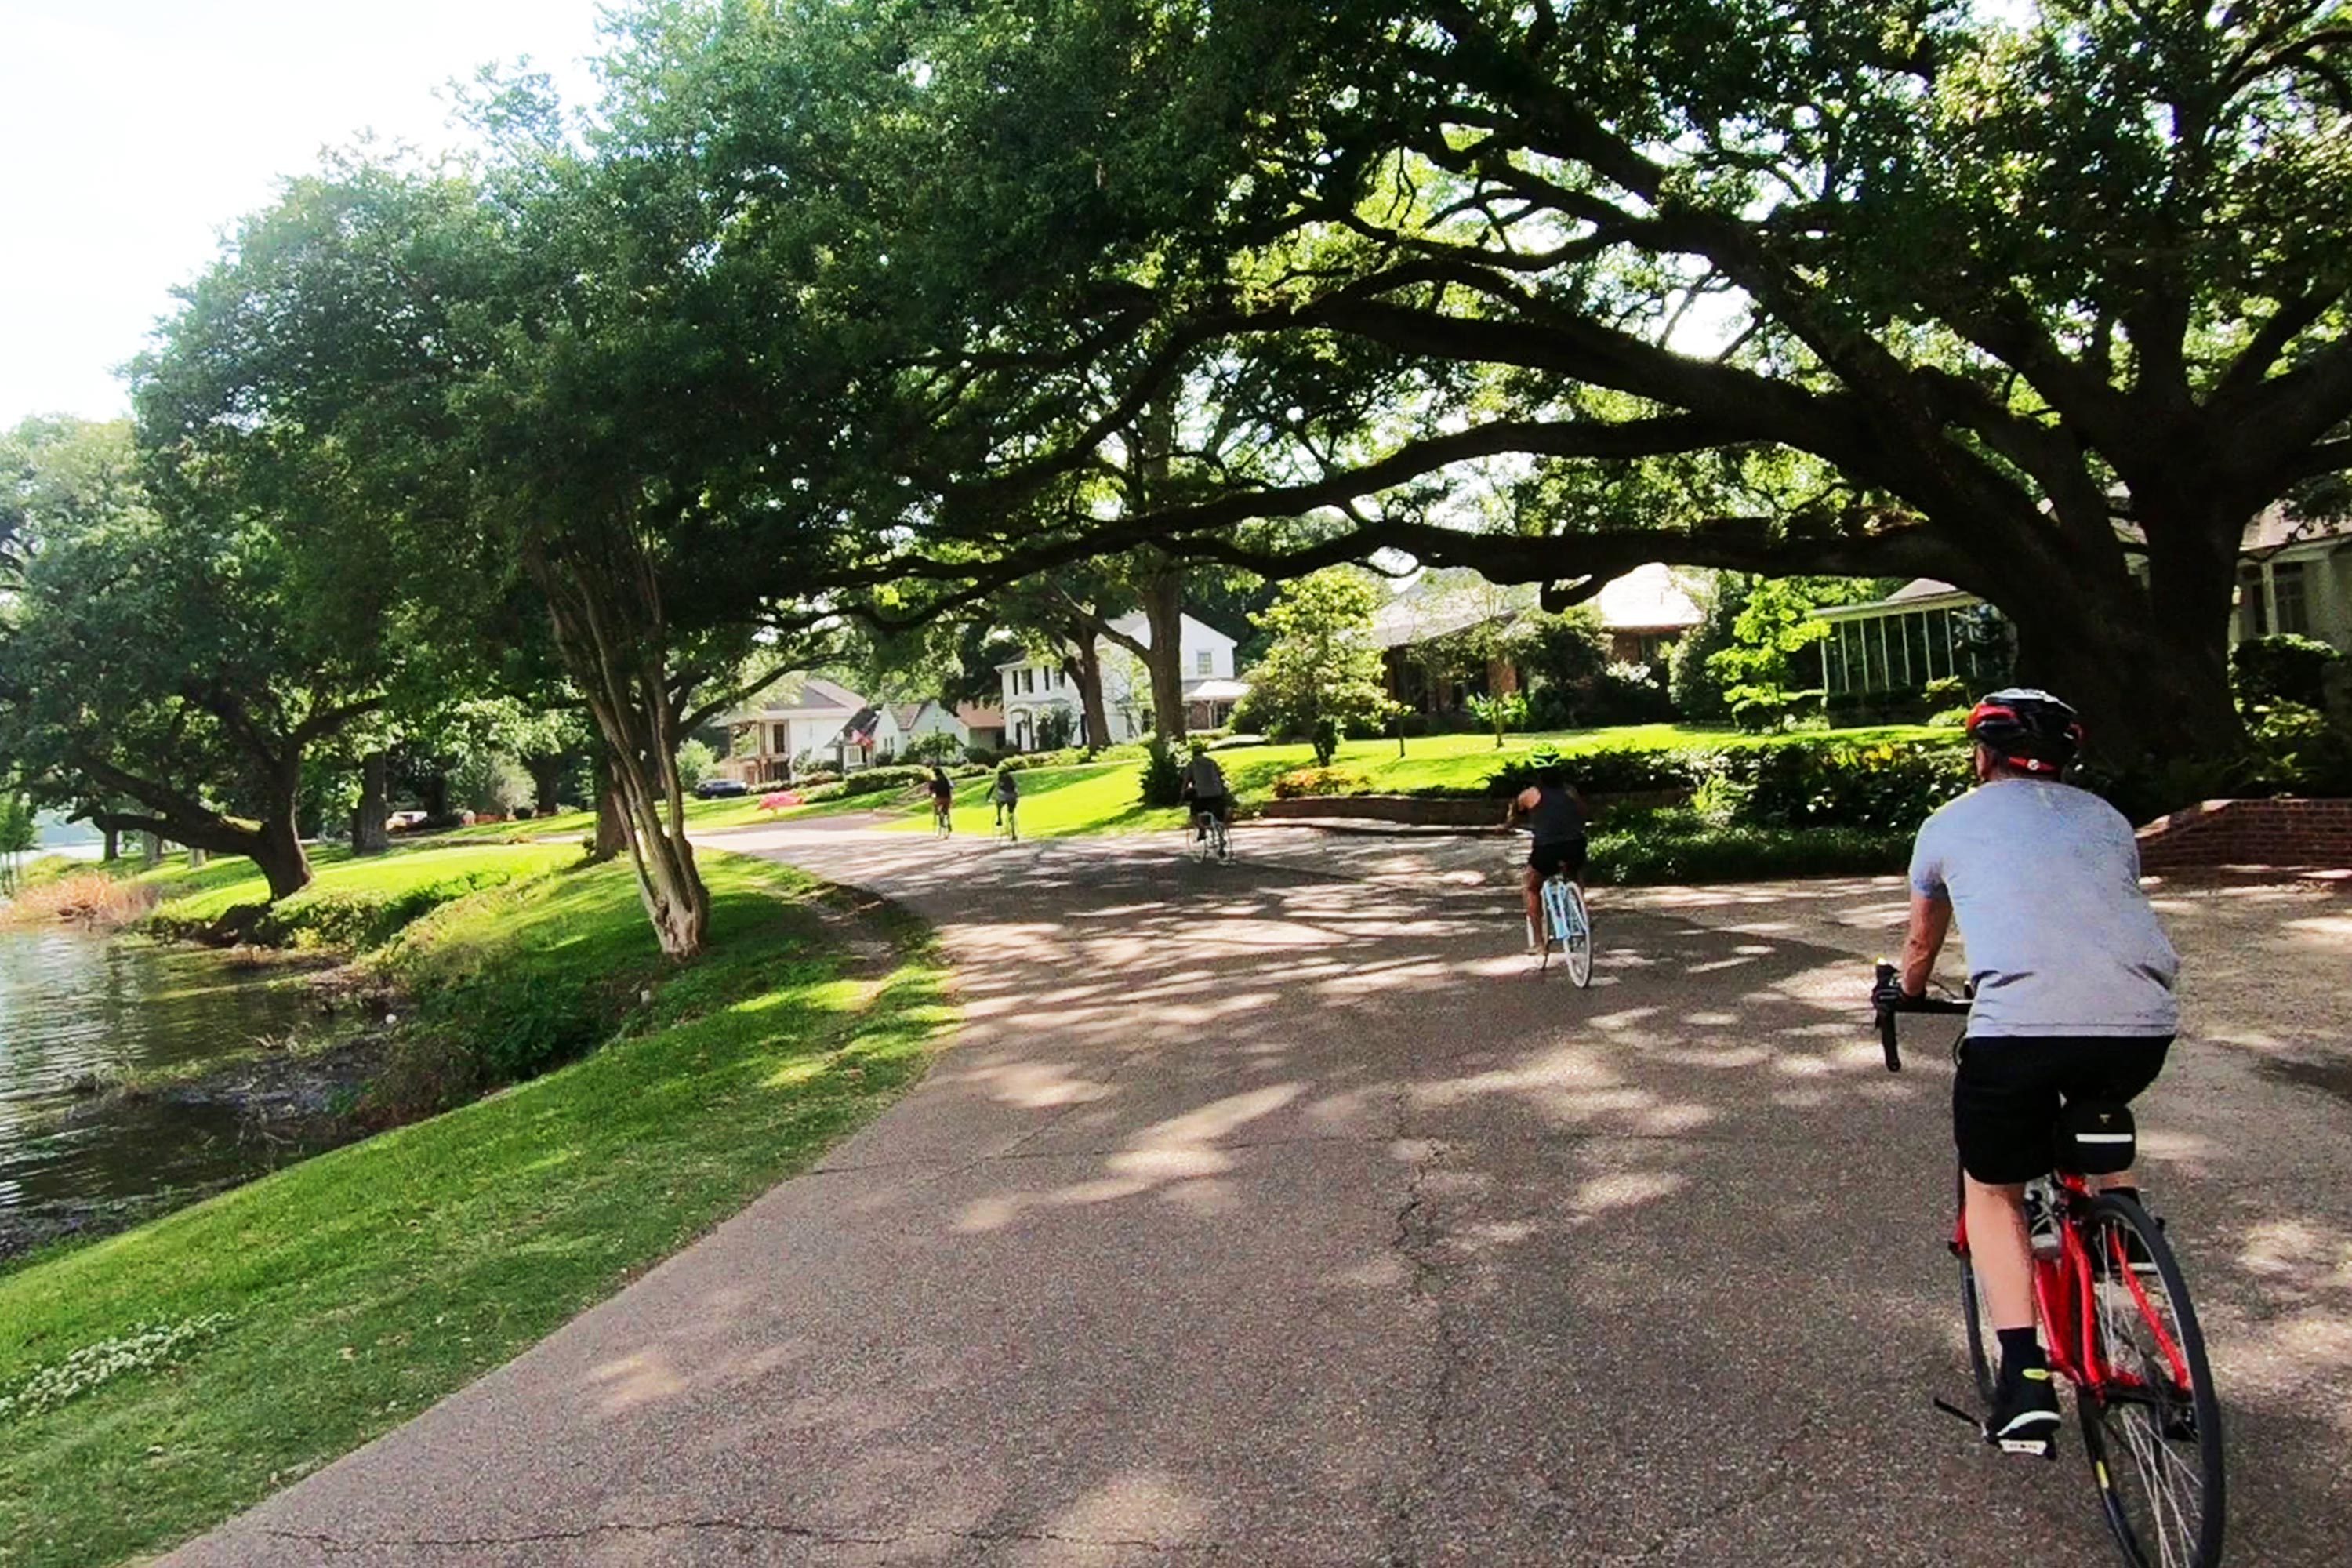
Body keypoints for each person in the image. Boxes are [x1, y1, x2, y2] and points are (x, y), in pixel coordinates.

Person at [1877, 688, 2179, 1458]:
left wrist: (1905, 995)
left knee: (1995, 1187)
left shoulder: (1948, 824)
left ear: (1984, 755)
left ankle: (2023, 1379)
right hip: (2140, 1027)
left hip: (2019, 1032)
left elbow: (1919, 950)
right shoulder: (2109, 821)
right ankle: (2128, 1227)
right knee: (2095, 1103)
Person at [1504, 746, 1588, 953]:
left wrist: (1507, 824)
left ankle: (1539, 943)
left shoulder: (1529, 795)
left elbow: (1514, 816)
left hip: (1547, 848)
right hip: (1575, 843)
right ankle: (1580, 913)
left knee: (1532, 887)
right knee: (1575, 873)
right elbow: (1582, 813)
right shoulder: (1570, 790)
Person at [1178, 740, 1232, 857]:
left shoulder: (1192, 764)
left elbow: (1186, 782)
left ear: (1192, 753)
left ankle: (1202, 830)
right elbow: (1220, 777)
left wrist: (1182, 797)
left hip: (1202, 795)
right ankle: (1221, 840)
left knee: (1194, 813)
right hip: (1217, 793)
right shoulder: (1212, 762)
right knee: (1219, 818)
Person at [990, 764, 1020, 834]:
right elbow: (1015, 787)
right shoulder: (1010, 778)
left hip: (1004, 797)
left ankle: (1000, 819)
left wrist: (988, 797)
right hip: (1013, 796)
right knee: (1011, 812)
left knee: (998, 804)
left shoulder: (999, 778)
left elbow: (992, 789)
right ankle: (1013, 831)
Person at [927, 764, 955, 832]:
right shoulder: (947, 780)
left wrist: (930, 794)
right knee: (946, 811)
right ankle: (948, 822)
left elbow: (931, 790)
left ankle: (940, 819)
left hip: (939, 798)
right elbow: (952, 787)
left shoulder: (934, 781)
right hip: (948, 797)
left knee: (937, 806)